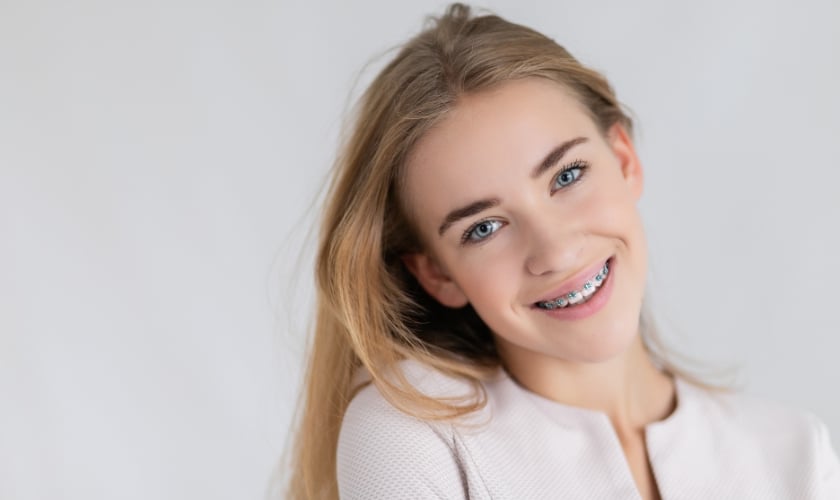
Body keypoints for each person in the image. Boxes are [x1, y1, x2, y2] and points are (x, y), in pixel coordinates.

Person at [285, 4, 840, 499]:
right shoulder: (411, 434)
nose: (554, 249)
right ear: (436, 274)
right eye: (483, 228)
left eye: (567, 174)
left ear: (624, 160)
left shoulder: (794, 454)